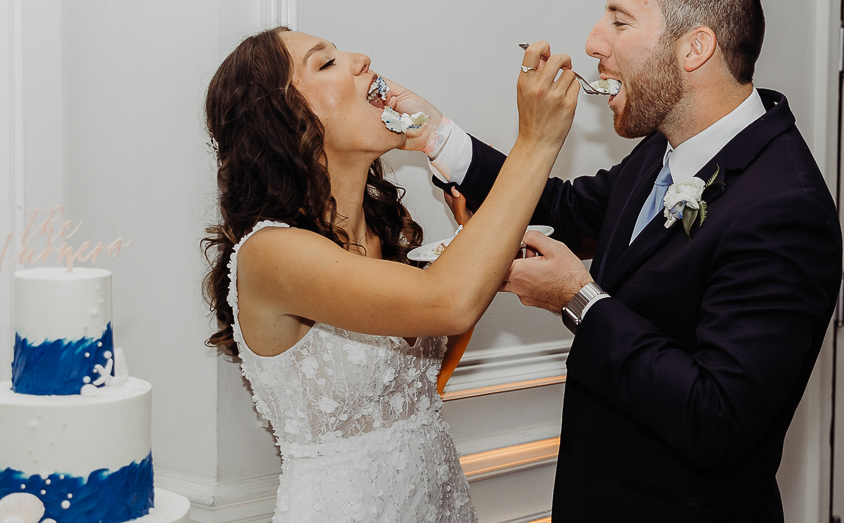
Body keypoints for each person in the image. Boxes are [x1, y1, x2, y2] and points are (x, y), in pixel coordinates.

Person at [398, 0, 844, 521]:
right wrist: (436, 137)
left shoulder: (786, 206)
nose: (593, 42)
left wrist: (578, 299)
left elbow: (718, 419)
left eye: (620, 20)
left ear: (695, 47)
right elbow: (566, 208)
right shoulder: (663, 145)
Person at [201, 27, 579, 522]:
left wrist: (482, 254)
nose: (361, 59)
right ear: (286, 122)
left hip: (438, 499)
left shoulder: (383, 234)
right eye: (326, 63)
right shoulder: (272, 254)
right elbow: (448, 301)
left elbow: (438, 334)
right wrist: (537, 139)